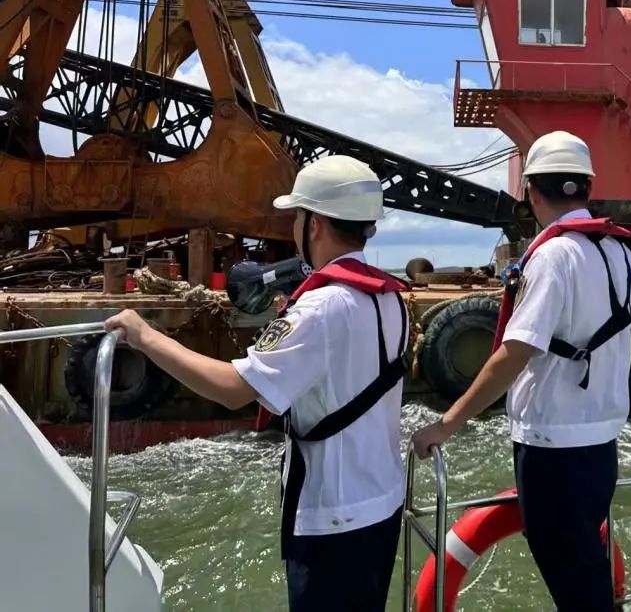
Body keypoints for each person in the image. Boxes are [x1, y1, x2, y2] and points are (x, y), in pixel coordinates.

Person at [106, 155, 409, 611]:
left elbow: (232, 388)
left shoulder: (321, 309)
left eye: (296, 217)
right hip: (381, 503)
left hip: (333, 519)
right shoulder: (389, 299)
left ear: (315, 225)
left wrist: (146, 336)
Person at [411, 130, 631, 611]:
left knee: (572, 580)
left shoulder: (554, 256)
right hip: (602, 444)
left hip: (552, 446)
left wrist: (447, 423)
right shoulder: (623, 255)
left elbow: (514, 352)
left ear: (531, 191)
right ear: (587, 186)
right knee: (585, 570)